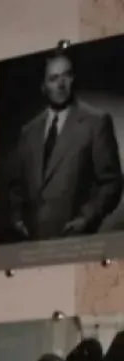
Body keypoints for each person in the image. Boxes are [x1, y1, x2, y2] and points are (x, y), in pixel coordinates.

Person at [7, 49, 123, 242]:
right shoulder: (29, 130)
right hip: (33, 245)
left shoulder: (96, 122)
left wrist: (87, 219)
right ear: (43, 86)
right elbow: (17, 185)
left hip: (76, 242)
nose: (61, 84)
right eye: (53, 78)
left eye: (66, 75)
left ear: (73, 78)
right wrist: (17, 218)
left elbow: (111, 182)